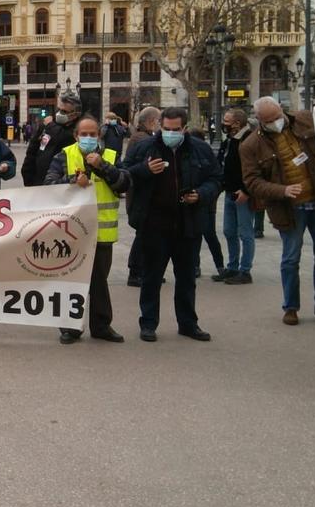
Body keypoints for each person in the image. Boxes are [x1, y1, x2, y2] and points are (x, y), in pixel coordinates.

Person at [241, 97, 315, 327]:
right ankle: (291, 307)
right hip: (288, 209)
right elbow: (252, 182)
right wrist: (282, 190)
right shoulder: (250, 145)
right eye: (268, 120)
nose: (275, 122)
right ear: (259, 120)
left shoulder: (305, 120)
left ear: (282, 110)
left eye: (277, 117)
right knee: (291, 258)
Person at [125, 107, 220, 343]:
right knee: (151, 277)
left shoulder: (200, 149)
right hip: (154, 223)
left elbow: (216, 178)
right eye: (165, 129)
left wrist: (200, 194)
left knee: (187, 278)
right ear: (159, 126)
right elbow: (124, 174)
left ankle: (188, 323)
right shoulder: (144, 148)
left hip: (188, 223)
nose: (170, 133)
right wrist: (145, 170)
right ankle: (148, 324)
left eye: (175, 130)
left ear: (184, 129)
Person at [46, 117, 130, 344]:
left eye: (93, 134)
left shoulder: (110, 156)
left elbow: (124, 183)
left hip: (101, 233)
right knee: (71, 280)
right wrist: (73, 179)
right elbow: (49, 186)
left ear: (99, 136)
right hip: (71, 234)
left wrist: (101, 167)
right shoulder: (63, 155)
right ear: (76, 136)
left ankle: (101, 326)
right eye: (84, 134)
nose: (89, 138)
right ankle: (70, 328)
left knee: (99, 281)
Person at [122, 106, 161, 287]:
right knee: (143, 236)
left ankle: (143, 270)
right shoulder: (142, 140)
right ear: (151, 121)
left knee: (147, 235)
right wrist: (148, 169)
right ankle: (136, 272)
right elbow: (128, 168)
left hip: (140, 196)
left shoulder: (141, 137)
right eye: (159, 121)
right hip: (139, 197)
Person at [217, 108, 254, 285]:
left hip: (242, 193)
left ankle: (245, 271)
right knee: (229, 231)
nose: (224, 123)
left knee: (245, 232)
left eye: (226, 120)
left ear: (237, 123)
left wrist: (246, 190)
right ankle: (232, 267)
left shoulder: (248, 139)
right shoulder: (231, 139)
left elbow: (254, 168)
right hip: (229, 191)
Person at [188, 125, 226, 281]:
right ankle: (219, 266)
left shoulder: (201, 154)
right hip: (208, 203)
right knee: (209, 236)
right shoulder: (207, 153)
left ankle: (197, 266)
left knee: (199, 236)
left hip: (204, 202)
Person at [22, 92, 82, 187]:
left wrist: (50, 126)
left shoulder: (79, 130)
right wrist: (28, 176)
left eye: (64, 111)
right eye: (59, 109)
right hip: (38, 183)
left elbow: (64, 137)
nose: (59, 113)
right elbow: (32, 151)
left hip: (62, 184)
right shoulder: (46, 125)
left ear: (75, 114)